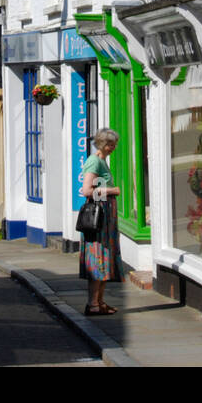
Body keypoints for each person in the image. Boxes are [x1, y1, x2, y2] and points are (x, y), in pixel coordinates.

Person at [79, 128, 123, 315]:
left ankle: (99, 302)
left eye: (114, 144)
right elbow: (86, 191)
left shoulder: (101, 161)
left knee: (104, 260)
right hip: (98, 221)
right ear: (104, 144)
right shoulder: (94, 162)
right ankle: (93, 304)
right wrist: (112, 191)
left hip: (105, 220)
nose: (114, 147)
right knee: (97, 259)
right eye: (111, 144)